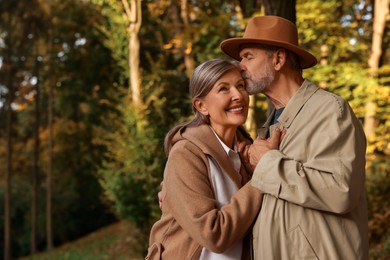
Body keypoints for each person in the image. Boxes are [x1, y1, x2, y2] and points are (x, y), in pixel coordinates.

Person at [220, 16, 369, 260]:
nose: (240, 66)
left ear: (278, 59)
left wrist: (267, 163)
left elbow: (340, 190)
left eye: (248, 56)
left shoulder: (330, 111)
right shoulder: (268, 126)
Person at [146, 59, 264, 260]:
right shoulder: (186, 154)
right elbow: (213, 235)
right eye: (223, 89)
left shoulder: (246, 152)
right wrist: (263, 177)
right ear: (201, 106)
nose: (238, 96)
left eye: (240, 86)